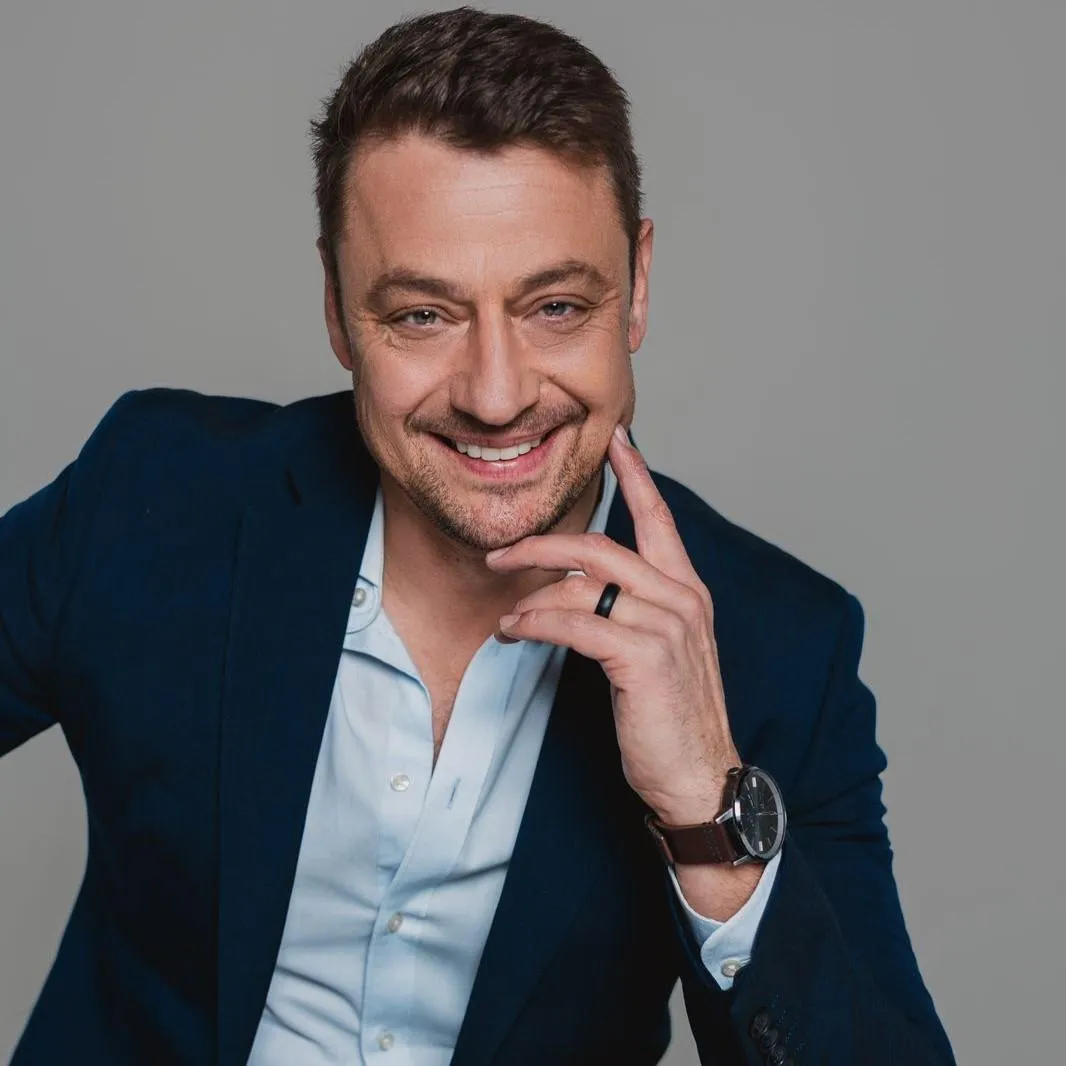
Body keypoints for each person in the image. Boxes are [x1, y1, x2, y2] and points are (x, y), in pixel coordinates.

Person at [0, 7, 956, 1065]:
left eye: (555, 307)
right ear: (337, 307)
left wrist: (707, 815)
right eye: (423, 315)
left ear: (637, 286)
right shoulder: (156, 496)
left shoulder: (782, 649)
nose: (496, 397)